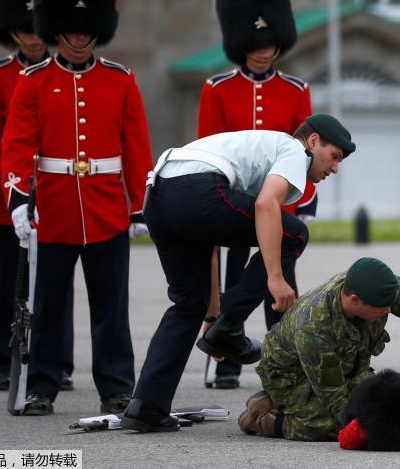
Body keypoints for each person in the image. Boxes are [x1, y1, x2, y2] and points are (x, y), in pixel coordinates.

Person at [123, 114, 355, 432]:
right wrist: (275, 278)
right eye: (335, 156)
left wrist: (213, 313)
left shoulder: (253, 149)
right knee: (295, 234)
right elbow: (265, 206)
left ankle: (146, 406)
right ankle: (229, 330)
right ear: (313, 142)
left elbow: (211, 237)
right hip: (198, 191)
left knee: (188, 304)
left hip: (160, 197)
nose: (335, 168)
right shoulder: (293, 150)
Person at [1, 0, 153, 415]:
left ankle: (115, 386)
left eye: (88, 29)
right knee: (47, 306)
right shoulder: (33, 82)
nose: (80, 37)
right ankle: (42, 385)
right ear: (56, 29)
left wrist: (140, 204)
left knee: (112, 308)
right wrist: (20, 197)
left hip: (106, 208)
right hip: (54, 207)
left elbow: (136, 148)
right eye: (72, 28)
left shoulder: (121, 80)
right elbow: (18, 144)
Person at [198, 0, 316, 389]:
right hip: (231, 200)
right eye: (255, 43)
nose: (263, 50)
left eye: (270, 42)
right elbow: (207, 149)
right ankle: (226, 361)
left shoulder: (296, 89)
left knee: (281, 286)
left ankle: (283, 363)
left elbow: (308, 150)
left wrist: (307, 196)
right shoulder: (217, 88)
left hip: (279, 201)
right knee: (233, 280)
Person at [0, 0, 76, 392]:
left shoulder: (64, 75)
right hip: (10, 192)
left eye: (37, 30)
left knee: (55, 285)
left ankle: (60, 360)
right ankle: (3, 359)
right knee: (10, 277)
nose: (32, 39)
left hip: (54, 191)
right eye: (22, 30)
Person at [236, 257, 400, 441]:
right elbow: (336, 398)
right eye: (382, 308)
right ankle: (264, 415)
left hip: (346, 369)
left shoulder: (379, 288)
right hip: (294, 378)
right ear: (354, 300)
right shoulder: (314, 327)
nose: (389, 310)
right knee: (348, 425)